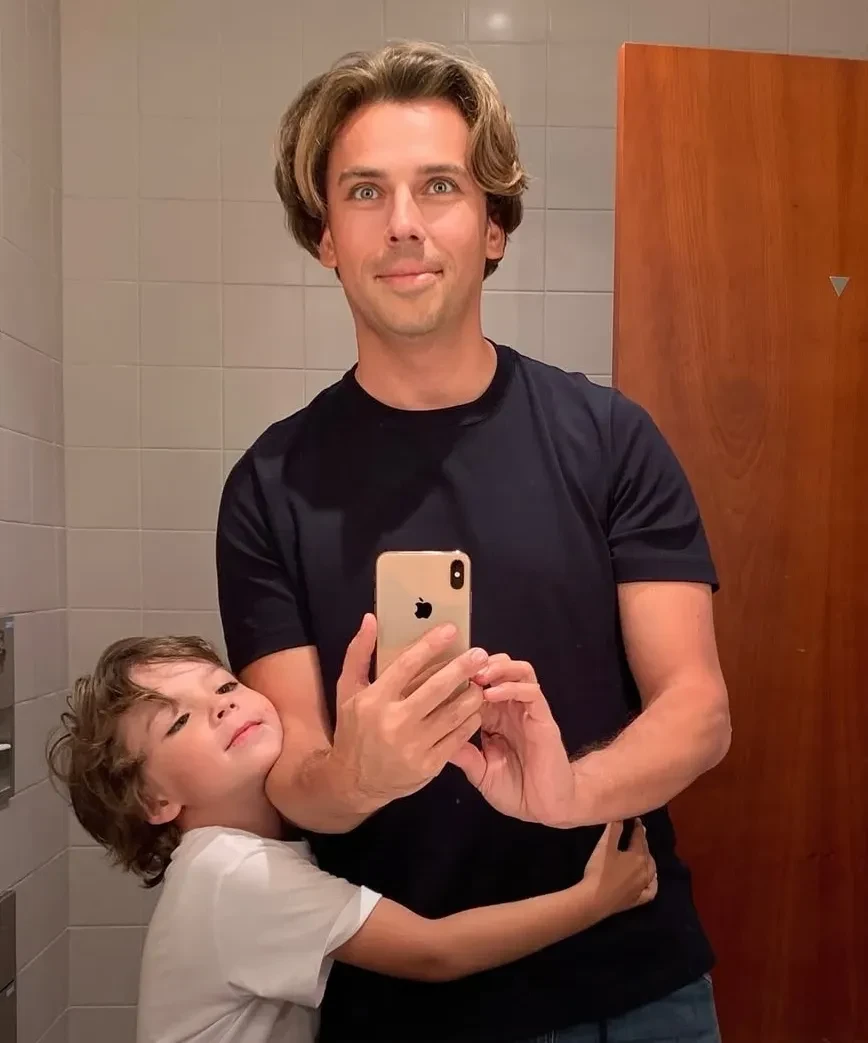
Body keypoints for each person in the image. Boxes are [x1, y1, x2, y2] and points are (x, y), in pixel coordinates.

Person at [216, 40, 731, 1043]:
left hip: (629, 988)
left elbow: (698, 709)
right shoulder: (269, 488)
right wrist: (354, 774)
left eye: (439, 186)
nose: (403, 222)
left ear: (493, 226)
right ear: (325, 236)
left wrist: (567, 791)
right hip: (398, 1005)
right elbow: (293, 771)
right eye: (365, 191)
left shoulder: (609, 438)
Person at [48, 634, 657, 1043]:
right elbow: (433, 951)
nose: (221, 708)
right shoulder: (229, 873)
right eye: (178, 720)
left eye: (225, 686)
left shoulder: (226, 863)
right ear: (155, 802)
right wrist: (596, 898)